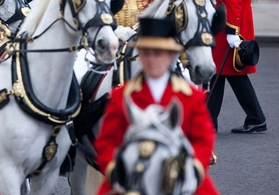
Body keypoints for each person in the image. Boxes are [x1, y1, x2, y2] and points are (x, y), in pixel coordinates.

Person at [93, 17, 219, 195]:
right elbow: (107, 142)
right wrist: (118, 172)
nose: (151, 59)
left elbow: (203, 140)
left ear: (169, 56)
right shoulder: (122, 96)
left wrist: (190, 171)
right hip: (131, 178)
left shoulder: (191, 97)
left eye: (157, 53)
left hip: (179, 175)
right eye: (146, 53)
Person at [206, 0, 266, 133]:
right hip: (224, 29)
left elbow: (234, 1)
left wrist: (233, 33)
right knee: (228, 75)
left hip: (229, 30)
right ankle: (256, 119)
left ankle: (208, 123)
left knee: (219, 73)